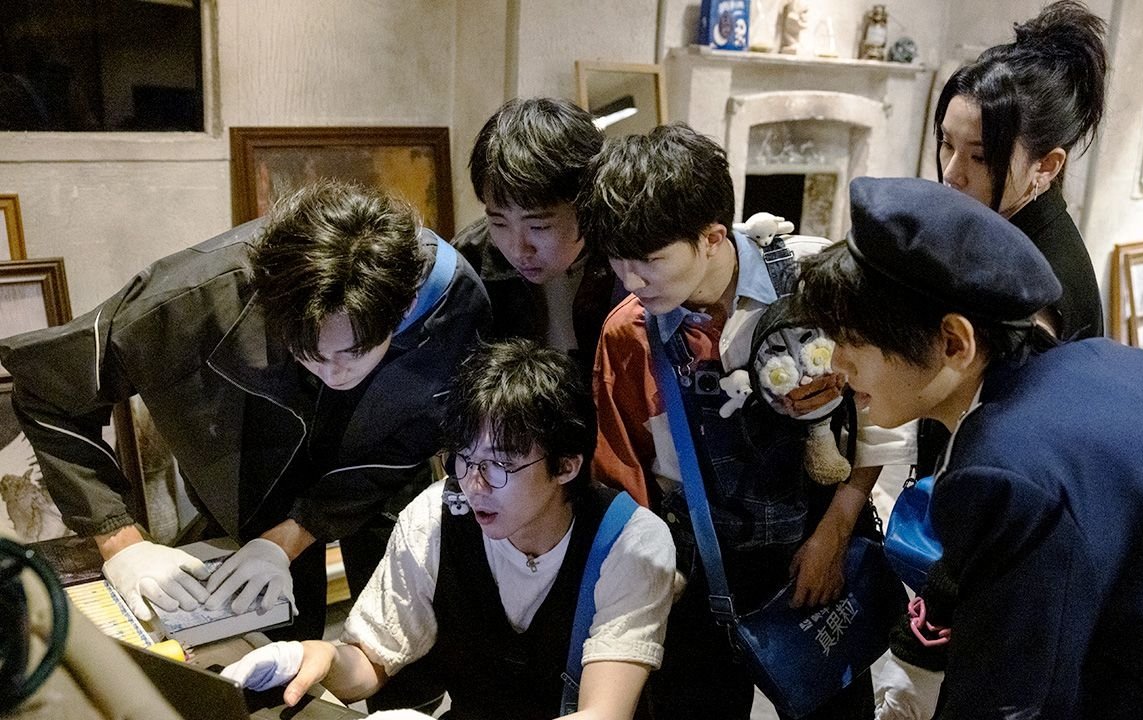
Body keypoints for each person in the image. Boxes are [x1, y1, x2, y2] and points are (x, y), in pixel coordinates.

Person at [797, 176, 1143, 719]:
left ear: (955, 343)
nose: (836, 363)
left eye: (854, 341)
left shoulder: (1004, 469)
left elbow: (1008, 699)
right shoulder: (1105, 359)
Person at [0, 181, 490, 639]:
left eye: (353, 352)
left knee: (402, 635)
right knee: (264, 645)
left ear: (404, 308)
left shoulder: (452, 303)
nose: (334, 373)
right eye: (310, 353)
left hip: (376, 482)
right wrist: (119, 540)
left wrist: (297, 533)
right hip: (254, 478)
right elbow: (46, 389)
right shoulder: (194, 298)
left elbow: (415, 435)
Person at [577, 124, 914, 720]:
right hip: (698, 569)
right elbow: (623, 473)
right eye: (618, 261)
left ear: (712, 237)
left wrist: (834, 534)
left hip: (818, 535)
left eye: (650, 261)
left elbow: (883, 418)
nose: (631, 280)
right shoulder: (628, 332)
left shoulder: (814, 280)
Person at [219, 339, 679, 720]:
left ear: (565, 466)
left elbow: (603, 713)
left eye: (499, 465)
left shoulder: (629, 542)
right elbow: (371, 662)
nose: (474, 485)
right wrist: (317, 657)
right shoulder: (436, 518)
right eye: (464, 458)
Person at [934, 0, 1105, 342]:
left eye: (980, 158)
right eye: (947, 143)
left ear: (1046, 166)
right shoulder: (995, 223)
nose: (952, 174)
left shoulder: (1036, 292)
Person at [454, 97, 618, 382]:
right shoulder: (468, 263)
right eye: (498, 222)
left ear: (587, 204)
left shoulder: (630, 255)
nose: (518, 249)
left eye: (539, 226)